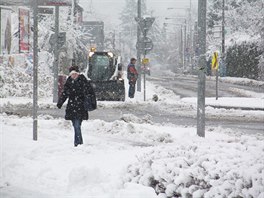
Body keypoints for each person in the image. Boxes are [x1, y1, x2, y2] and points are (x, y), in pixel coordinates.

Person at [57, 66, 95, 147]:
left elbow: (90, 93)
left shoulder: (83, 81)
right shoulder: (69, 82)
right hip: (72, 107)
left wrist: (90, 103)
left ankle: (78, 143)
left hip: (80, 107)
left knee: (77, 125)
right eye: (72, 74)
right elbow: (65, 93)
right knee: (76, 125)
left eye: (75, 74)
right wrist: (60, 102)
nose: (73, 76)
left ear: (78, 74)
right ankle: (78, 142)